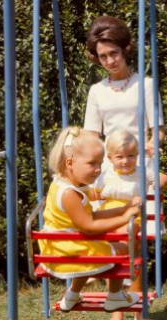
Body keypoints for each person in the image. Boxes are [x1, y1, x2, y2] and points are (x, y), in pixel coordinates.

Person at [38, 126, 141, 313]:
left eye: (100, 164)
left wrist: (122, 209)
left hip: (63, 247)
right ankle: (115, 296)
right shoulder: (69, 194)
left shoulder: (62, 184)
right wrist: (124, 218)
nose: (98, 170)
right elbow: (90, 227)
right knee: (123, 248)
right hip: (65, 252)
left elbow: (91, 216)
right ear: (70, 163)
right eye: (92, 163)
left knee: (93, 252)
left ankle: (72, 295)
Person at [96, 129, 167, 320]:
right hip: (111, 220)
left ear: (137, 156)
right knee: (117, 260)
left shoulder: (142, 173)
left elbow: (161, 178)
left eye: (130, 156)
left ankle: (137, 308)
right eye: (120, 157)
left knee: (132, 260)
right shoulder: (105, 175)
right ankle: (118, 309)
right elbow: (93, 192)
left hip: (132, 220)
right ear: (110, 158)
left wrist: (161, 181)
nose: (125, 161)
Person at [84, 15, 165, 154]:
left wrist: (149, 147)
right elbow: (91, 137)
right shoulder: (96, 91)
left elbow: (159, 132)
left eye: (113, 53)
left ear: (124, 49)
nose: (110, 61)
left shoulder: (146, 85)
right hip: (109, 161)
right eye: (103, 56)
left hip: (141, 158)